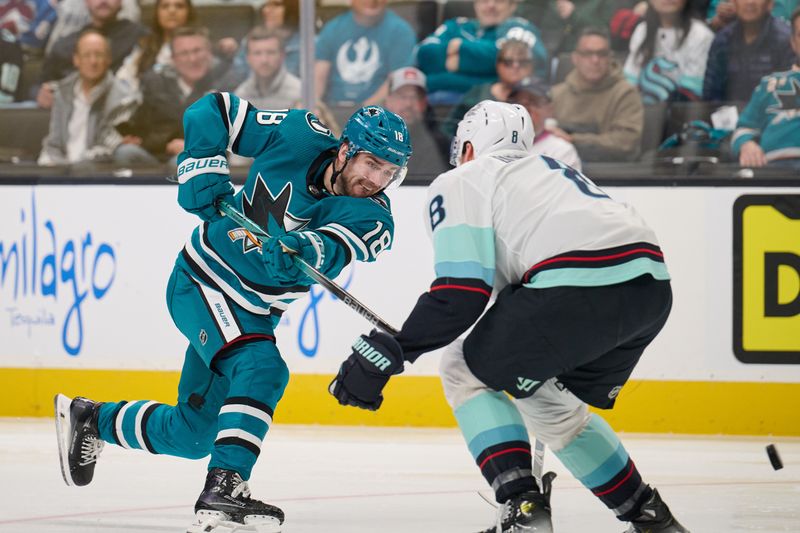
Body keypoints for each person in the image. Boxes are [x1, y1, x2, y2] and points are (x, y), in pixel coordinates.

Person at [54, 97, 413, 532]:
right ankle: (225, 487)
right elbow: (214, 110)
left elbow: (332, 248)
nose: (376, 180)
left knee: (194, 435)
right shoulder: (298, 133)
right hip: (201, 280)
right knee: (263, 369)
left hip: (252, 314)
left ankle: (92, 419)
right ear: (345, 150)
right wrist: (201, 162)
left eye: (389, 172)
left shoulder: (373, 217)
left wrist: (304, 248)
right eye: (372, 163)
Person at [329, 100, 689, 533]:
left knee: (464, 368)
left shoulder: (464, 178)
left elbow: (462, 294)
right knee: (549, 404)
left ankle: (523, 509)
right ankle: (650, 516)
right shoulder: (550, 174)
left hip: (576, 285)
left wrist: (395, 351)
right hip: (650, 291)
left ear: (467, 149)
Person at [114, 26, 231, 165]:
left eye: (197, 51)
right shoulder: (155, 84)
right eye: (184, 53)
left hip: (202, 161)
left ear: (209, 53)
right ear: (174, 59)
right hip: (155, 157)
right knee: (125, 152)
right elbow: (139, 127)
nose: (192, 59)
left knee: (182, 161)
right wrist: (133, 138)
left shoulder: (225, 85)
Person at [38, 29, 138, 166]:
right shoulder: (62, 93)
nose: (93, 61)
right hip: (61, 172)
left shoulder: (124, 98)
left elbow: (109, 148)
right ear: (76, 60)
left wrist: (74, 169)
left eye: (99, 55)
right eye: (86, 55)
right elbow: (54, 143)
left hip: (98, 176)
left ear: (109, 59)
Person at [416, 0, 548, 98]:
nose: (491, 5)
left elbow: (513, 63)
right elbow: (423, 54)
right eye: (484, 0)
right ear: (475, 4)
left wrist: (459, 48)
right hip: (433, 110)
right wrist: (487, 79)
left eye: (499, 1)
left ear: (512, 5)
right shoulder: (456, 25)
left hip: (491, 109)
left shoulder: (519, 27)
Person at [551, 27, 643, 162]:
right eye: (587, 53)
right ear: (575, 58)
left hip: (609, 176)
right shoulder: (556, 95)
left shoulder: (625, 93)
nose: (595, 60)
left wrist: (572, 140)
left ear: (610, 57)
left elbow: (626, 142)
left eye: (602, 54)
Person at [37, 0, 148, 109]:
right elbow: (41, 85)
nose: (103, 1)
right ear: (86, 2)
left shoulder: (142, 40)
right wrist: (43, 94)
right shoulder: (64, 46)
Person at [731, 7, 800, 169]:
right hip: (771, 173)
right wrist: (746, 145)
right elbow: (743, 129)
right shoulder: (770, 84)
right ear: (793, 43)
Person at [315, 0, 416, 107]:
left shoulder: (401, 32)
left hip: (377, 113)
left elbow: (395, 82)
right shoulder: (332, 28)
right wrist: (314, 106)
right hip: (332, 109)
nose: (372, 1)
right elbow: (318, 77)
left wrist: (362, 111)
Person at [703, 0, 794, 103]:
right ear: (733, 2)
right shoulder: (722, 40)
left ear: (770, 4)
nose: (750, 2)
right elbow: (710, 95)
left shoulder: (786, 41)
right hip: (727, 115)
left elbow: (790, 96)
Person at [623, 0, 714, 102]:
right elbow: (630, 81)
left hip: (682, 112)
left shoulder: (700, 34)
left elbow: (692, 91)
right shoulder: (642, 30)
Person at [442, 39, 535, 137]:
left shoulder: (537, 99)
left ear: (531, 66)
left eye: (523, 62)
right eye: (508, 62)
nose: (515, 66)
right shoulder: (478, 94)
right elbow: (450, 129)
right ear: (497, 64)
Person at [114, 0, 197, 92]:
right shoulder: (145, 47)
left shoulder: (201, 48)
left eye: (179, 6)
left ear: (189, 12)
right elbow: (123, 79)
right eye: (165, 6)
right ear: (157, 13)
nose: (172, 11)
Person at [383, 66, 450, 177]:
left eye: (415, 97)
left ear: (424, 103)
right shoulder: (370, 137)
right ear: (388, 100)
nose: (409, 104)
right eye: (402, 96)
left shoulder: (439, 144)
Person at [509, 76, 582, 168]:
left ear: (549, 109)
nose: (524, 109)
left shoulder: (562, 150)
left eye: (533, 102)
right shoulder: (498, 143)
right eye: (518, 103)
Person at [234, 27, 300, 110]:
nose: (264, 60)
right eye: (257, 53)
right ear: (248, 58)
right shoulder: (241, 96)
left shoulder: (299, 94)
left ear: (282, 55)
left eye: (271, 52)